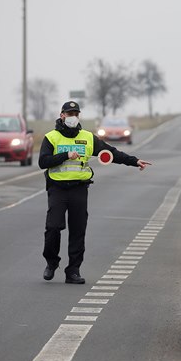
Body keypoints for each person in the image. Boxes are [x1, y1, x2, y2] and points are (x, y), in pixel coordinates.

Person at [38, 101, 152, 284]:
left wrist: (134, 161)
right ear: (62, 116)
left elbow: (111, 153)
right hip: (57, 189)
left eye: (75, 113)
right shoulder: (51, 137)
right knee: (53, 227)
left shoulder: (88, 137)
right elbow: (43, 162)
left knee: (78, 230)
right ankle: (51, 262)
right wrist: (65, 155)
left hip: (79, 188)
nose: (72, 117)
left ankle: (73, 271)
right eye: (69, 114)